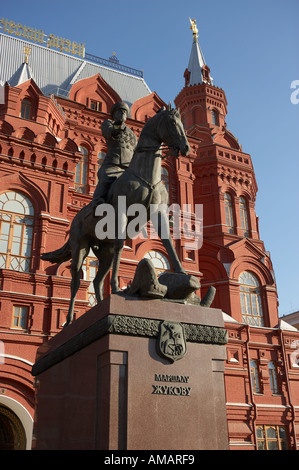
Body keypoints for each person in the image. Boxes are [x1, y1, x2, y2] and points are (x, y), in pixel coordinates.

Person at [92, 101, 137, 206]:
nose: (122, 114)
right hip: (113, 165)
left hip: (129, 169)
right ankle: (97, 201)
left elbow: (136, 150)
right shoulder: (108, 123)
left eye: (125, 112)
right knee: (107, 179)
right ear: (114, 114)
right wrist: (117, 127)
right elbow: (110, 132)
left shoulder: (131, 133)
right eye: (120, 112)